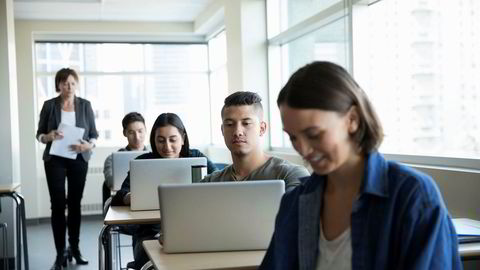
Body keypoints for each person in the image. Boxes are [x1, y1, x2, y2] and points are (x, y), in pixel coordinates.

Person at [260, 61, 462, 269]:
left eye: (314, 134)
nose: (303, 149)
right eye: (293, 137)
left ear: (353, 120)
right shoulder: (295, 202)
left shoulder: (412, 195)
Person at [111, 112, 217, 269]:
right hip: (150, 233)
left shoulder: (195, 157)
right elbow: (118, 196)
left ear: (183, 138)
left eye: (173, 140)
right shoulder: (143, 162)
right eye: (160, 141)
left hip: (193, 228)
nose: (167, 147)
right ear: (153, 140)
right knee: (150, 259)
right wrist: (131, 197)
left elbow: (219, 182)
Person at [36, 68, 98, 270]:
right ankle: (60, 252)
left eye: (72, 83)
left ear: (76, 84)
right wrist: (49, 136)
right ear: (58, 85)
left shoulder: (85, 106)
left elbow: (94, 135)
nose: (68, 86)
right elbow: (39, 135)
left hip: (79, 159)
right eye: (64, 83)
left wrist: (88, 145)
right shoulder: (49, 105)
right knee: (57, 205)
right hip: (55, 160)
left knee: (74, 204)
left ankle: (75, 248)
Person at [202, 91, 309, 191]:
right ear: (222, 130)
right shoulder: (211, 182)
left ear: (262, 129)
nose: (237, 132)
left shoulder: (291, 175)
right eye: (229, 124)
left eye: (246, 123)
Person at [102, 112, 148, 205]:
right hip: (122, 202)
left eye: (140, 131)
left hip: (147, 199)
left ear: (146, 130)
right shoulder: (112, 159)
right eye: (131, 132)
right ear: (124, 133)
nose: (137, 137)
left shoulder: (154, 157)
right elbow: (112, 183)